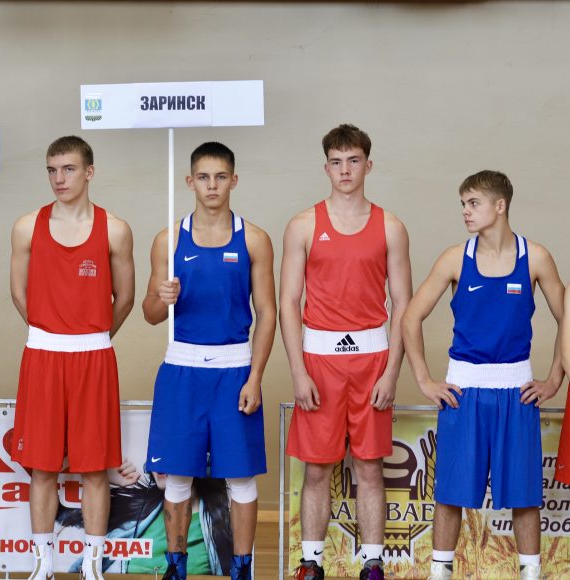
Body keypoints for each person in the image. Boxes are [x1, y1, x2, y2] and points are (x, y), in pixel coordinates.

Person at [403, 171, 563, 580]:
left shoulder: (536, 257)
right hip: (464, 391)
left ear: (500, 205)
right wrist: (424, 379)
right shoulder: (454, 258)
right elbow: (410, 317)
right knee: (450, 493)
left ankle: (531, 574)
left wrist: (554, 379)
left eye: (473, 203)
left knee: (524, 496)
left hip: (516, 391)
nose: (465, 211)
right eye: (463, 204)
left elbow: (567, 317)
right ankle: (440, 573)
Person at [281, 125, 412, 580]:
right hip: (319, 362)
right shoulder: (303, 225)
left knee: (370, 467)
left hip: (372, 361)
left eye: (353, 161)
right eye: (336, 162)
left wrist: (391, 372)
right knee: (317, 469)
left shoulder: (391, 227)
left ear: (367, 165)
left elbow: (403, 304)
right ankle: (311, 563)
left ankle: (373, 565)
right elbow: (288, 301)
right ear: (326, 168)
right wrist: (298, 371)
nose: (345, 170)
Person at [142, 142, 275, 580]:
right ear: (190, 181)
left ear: (233, 180)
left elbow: (268, 312)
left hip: (234, 368)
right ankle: (175, 567)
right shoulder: (168, 239)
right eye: (203, 177)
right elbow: (149, 313)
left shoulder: (254, 239)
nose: (212, 185)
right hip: (182, 366)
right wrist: (163, 299)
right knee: (178, 475)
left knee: (241, 477)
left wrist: (255, 377)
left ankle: (242, 568)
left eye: (220, 177)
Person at [9, 135, 135, 580]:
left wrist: (91, 338)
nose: (58, 178)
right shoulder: (27, 226)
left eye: (68, 169)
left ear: (89, 172)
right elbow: (19, 293)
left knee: (95, 469)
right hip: (43, 355)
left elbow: (124, 298)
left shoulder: (115, 229)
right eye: (51, 170)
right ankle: (43, 565)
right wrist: (51, 333)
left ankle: (93, 567)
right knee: (42, 468)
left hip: (93, 358)